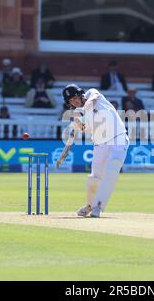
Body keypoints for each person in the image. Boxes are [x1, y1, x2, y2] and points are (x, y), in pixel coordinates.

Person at [61, 84, 129, 218]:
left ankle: (98, 206)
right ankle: (89, 205)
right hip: (100, 144)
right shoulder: (77, 114)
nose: (74, 101)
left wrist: (83, 112)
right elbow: (77, 131)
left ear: (80, 94)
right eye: (71, 101)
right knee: (94, 177)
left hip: (118, 138)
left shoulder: (92, 93)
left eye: (75, 97)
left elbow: (92, 100)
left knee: (112, 170)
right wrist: (65, 152)